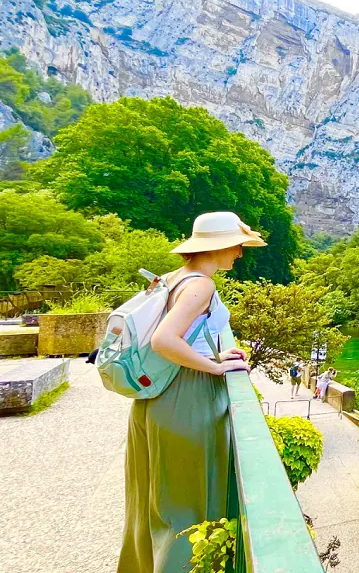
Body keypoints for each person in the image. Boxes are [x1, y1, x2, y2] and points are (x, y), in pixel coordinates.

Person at [118, 211, 266, 573]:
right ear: (220, 245)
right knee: (189, 512)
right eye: (238, 246)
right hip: (187, 397)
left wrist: (217, 352)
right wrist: (215, 368)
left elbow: (186, 334)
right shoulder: (202, 284)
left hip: (158, 398)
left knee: (156, 506)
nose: (241, 254)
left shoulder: (174, 278)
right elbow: (164, 340)